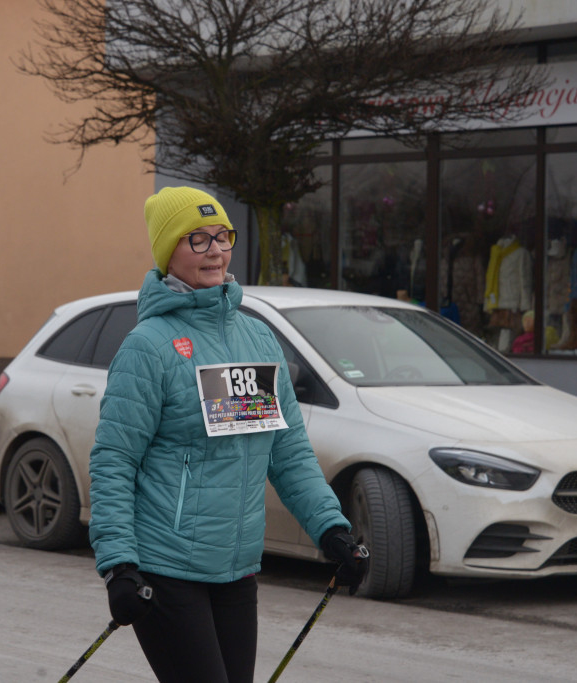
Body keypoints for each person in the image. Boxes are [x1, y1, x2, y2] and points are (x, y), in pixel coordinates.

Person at [88, 186, 368, 683]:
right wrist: (118, 565)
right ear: (167, 252)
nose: (215, 250)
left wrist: (332, 530)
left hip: (236, 570)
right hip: (166, 569)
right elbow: (114, 461)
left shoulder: (256, 337)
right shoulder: (148, 347)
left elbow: (287, 451)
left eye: (222, 236)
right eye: (197, 239)